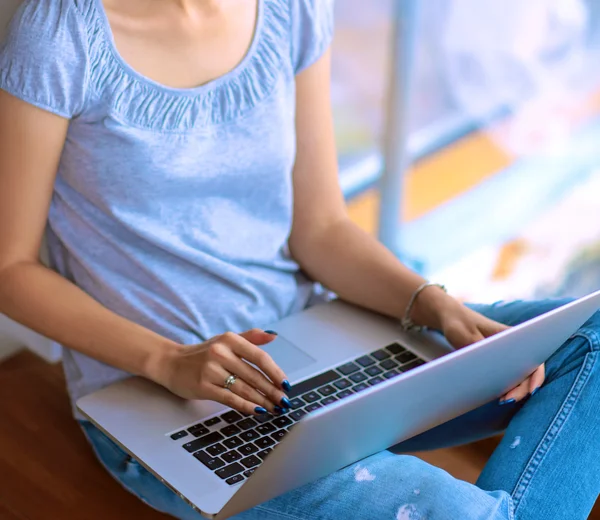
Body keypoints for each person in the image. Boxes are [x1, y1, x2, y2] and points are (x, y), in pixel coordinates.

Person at [0, 1, 599, 519]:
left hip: (317, 343)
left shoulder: (291, 8)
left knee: (589, 336)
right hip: (169, 399)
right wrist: (171, 360)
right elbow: (10, 269)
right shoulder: (60, 34)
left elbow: (321, 229)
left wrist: (431, 304)